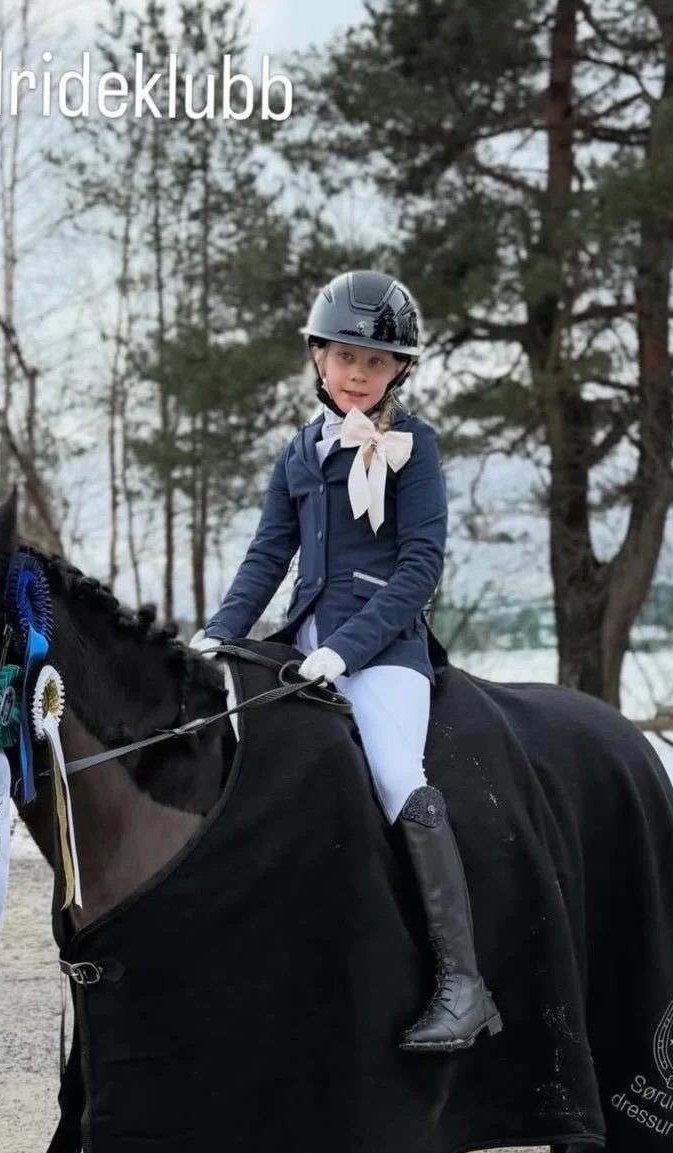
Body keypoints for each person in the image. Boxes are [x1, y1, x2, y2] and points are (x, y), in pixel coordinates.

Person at [191, 270, 502, 1052]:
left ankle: (463, 983)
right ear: (318, 359)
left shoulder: (415, 447)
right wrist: (220, 633)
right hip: (304, 643)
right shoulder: (300, 451)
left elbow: (419, 565)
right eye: (344, 357)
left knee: (398, 775)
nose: (358, 373)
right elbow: (268, 556)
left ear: (399, 368)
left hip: (385, 650)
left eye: (375, 361)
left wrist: (347, 648)